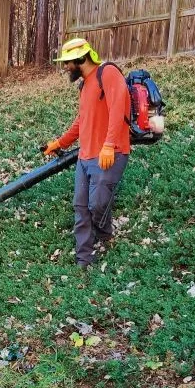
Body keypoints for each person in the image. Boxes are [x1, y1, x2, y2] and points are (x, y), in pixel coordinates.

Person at [44, 36, 131, 269]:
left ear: (81, 58)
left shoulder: (109, 74)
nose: (65, 68)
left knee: (97, 205)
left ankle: (105, 236)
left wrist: (109, 145)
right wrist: (59, 143)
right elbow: (82, 121)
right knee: (81, 208)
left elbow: (117, 109)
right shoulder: (84, 84)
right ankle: (84, 260)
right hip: (85, 157)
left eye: (67, 63)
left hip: (109, 154)